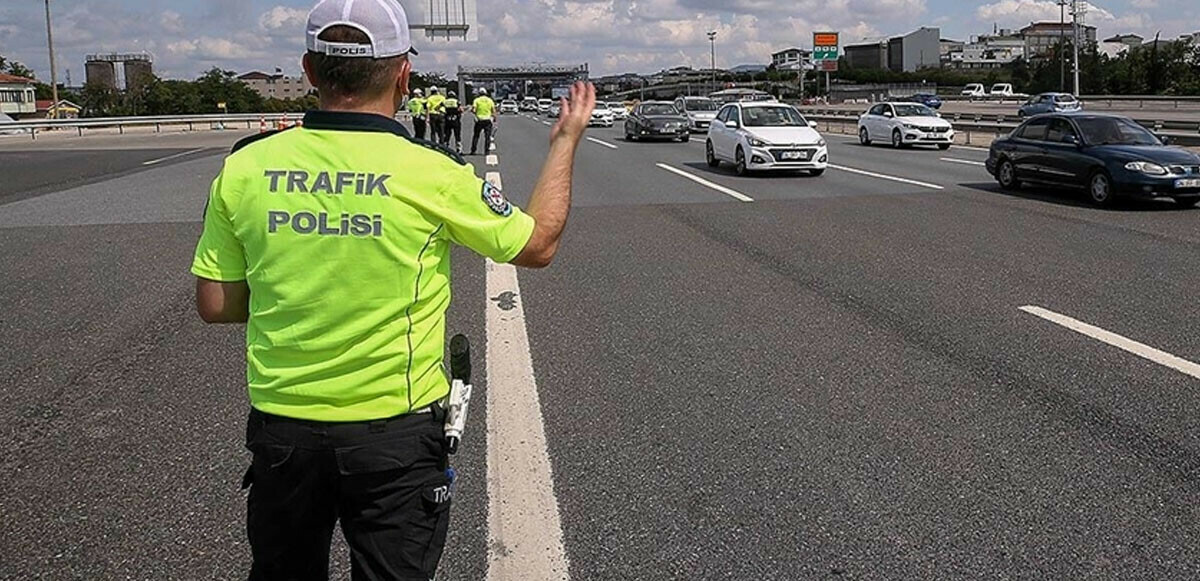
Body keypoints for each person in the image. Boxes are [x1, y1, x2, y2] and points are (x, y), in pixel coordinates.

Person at [189, 0, 596, 578]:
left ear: (309, 70)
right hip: (394, 435)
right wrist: (564, 142)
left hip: (282, 431)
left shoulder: (246, 167)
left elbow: (215, 304)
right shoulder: (433, 172)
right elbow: (538, 245)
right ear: (404, 73)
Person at [469, 87, 495, 156]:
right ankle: (486, 151)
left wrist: (474, 113)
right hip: (488, 120)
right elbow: (493, 111)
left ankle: (473, 150)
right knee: (487, 136)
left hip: (479, 120)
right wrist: (494, 118)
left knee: (476, 136)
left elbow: (473, 109)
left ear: (479, 93)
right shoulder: (490, 100)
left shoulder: (476, 100)